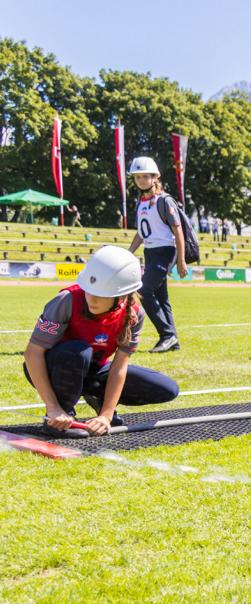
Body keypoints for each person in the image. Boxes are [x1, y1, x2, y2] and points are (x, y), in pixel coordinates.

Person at [23, 245, 179, 437]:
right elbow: (33, 354)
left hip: (93, 370)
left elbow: (119, 367)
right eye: (89, 290)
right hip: (54, 367)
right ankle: (60, 418)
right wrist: (53, 407)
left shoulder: (134, 314)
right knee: (79, 351)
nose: (92, 299)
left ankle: (95, 397)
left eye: (101, 295)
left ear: (121, 296)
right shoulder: (66, 300)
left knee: (166, 389)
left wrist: (106, 415)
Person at [126, 156, 186, 353]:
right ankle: (173, 341)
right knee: (161, 298)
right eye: (137, 177)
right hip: (150, 252)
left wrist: (181, 260)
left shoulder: (164, 200)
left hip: (166, 252)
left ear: (155, 177)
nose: (141, 180)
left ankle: (167, 335)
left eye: (145, 176)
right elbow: (141, 233)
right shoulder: (141, 202)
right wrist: (129, 253)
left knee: (143, 291)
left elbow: (178, 230)